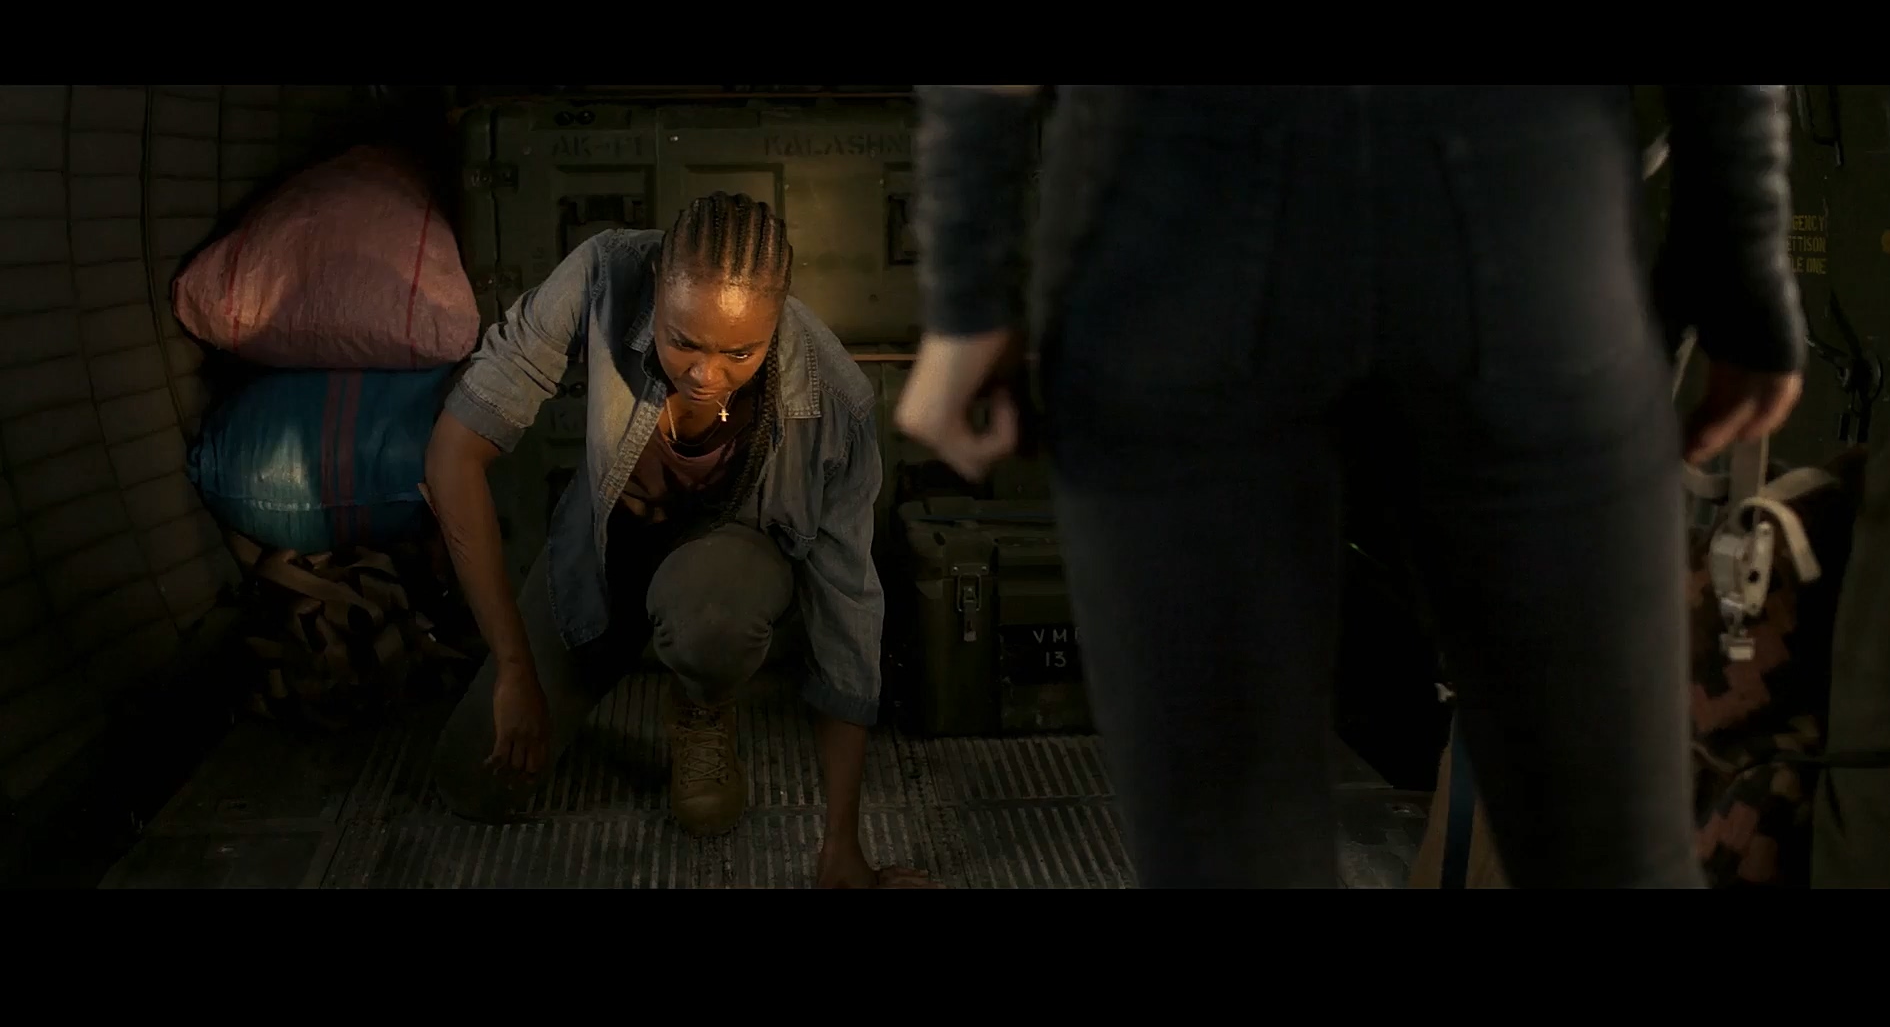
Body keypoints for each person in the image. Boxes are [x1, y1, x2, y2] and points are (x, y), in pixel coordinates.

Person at [895, 85, 1805, 888]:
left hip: (1177, 214)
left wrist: (969, 284)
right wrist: (1742, 242)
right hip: (1527, 203)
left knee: (1226, 855)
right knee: (1610, 853)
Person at [425, 191, 934, 889]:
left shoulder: (835, 404)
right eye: (683, 341)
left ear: (778, 317)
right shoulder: (603, 274)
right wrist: (515, 669)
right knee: (473, 783)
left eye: (740, 352)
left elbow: (847, 612)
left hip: (722, 577)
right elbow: (454, 454)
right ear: (659, 280)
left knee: (710, 618)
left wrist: (841, 848)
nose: (705, 375)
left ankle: (702, 697)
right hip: (606, 554)